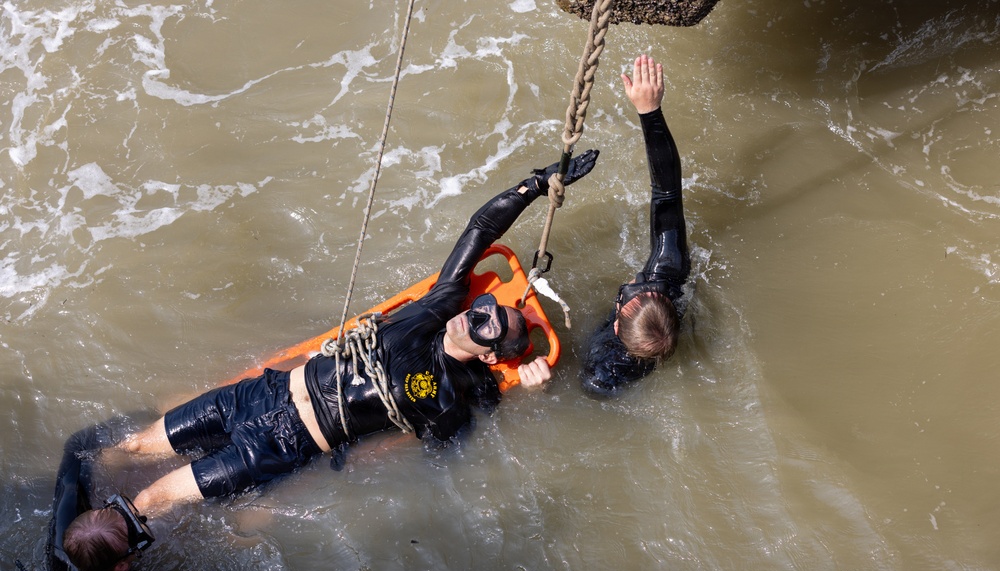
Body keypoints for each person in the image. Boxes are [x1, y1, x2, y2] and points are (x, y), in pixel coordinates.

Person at [70, 149, 598, 526]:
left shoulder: (453, 395)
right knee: (134, 447)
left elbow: (447, 456)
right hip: (262, 392)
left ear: (492, 353)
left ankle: (106, 550)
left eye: (488, 325)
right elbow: (480, 229)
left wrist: (533, 393)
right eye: (483, 308)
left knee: (154, 500)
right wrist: (538, 183)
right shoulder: (435, 310)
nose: (476, 315)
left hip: (284, 443)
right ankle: (77, 492)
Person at [580, 55, 691, 397]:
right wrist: (649, 112)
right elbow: (667, 191)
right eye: (646, 287)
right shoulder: (669, 271)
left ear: (617, 323)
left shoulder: (600, 373)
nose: (637, 281)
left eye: (631, 291)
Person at [48, 420, 172, 571]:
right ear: (122, 567)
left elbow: (77, 444)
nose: (137, 518)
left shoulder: (63, 531)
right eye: (133, 530)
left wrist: (125, 424)